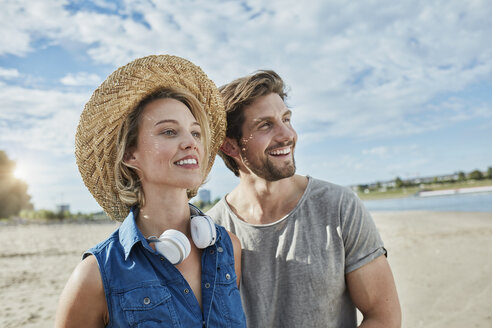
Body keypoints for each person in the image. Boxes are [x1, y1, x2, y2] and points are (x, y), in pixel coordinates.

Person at [55, 55, 246, 327]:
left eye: (195, 133)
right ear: (130, 154)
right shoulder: (95, 276)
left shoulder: (228, 248)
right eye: (169, 132)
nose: (190, 143)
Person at [207, 70, 401, 327]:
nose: (287, 134)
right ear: (229, 146)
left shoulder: (340, 207)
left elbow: (383, 315)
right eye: (265, 125)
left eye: (286, 119)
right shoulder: (213, 231)